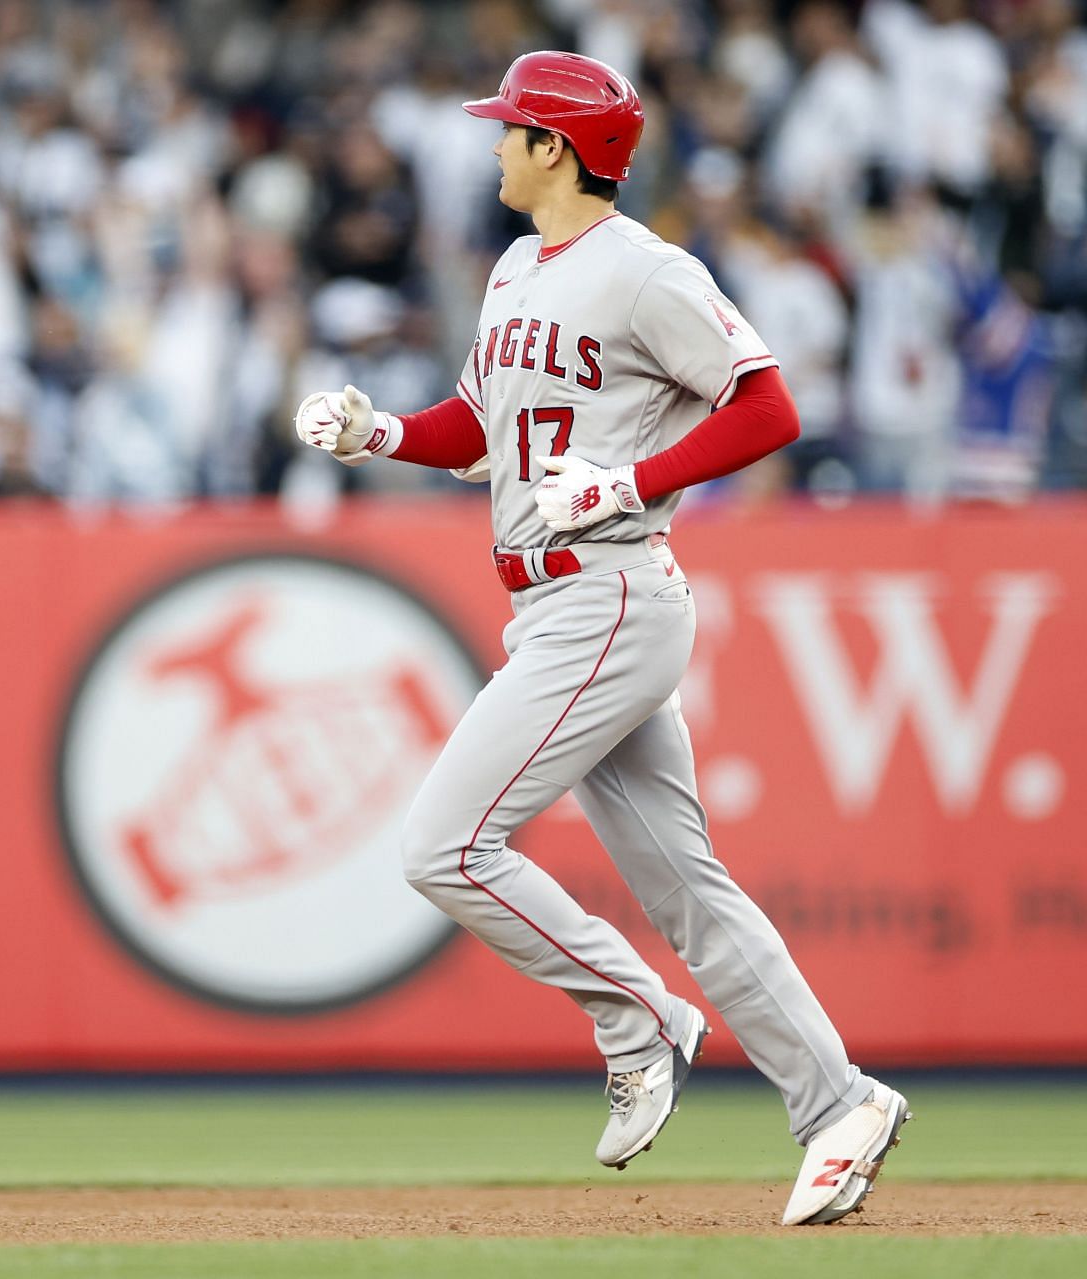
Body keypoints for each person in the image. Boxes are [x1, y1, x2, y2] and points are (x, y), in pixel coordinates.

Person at [293, 53, 908, 1228]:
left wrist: (631, 479)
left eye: (511, 131)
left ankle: (637, 1018)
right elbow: (475, 427)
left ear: (558, 149)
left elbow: (768, 403)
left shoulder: (645, 272)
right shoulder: (518, 266)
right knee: (692, 895)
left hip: (610, 593)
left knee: (446, 845)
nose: (492, 148)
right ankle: (839, 1104)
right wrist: (376, 433)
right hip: (551, 598)